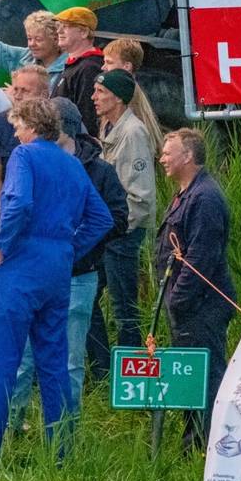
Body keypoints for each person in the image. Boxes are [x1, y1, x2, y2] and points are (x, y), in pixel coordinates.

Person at [0, 99, 112, 463]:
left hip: (21, 265)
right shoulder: (72, 163)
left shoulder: (24, 156)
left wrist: (3, 245)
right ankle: (61, 450)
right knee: (53, 361)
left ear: (31, 126)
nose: (15, 133)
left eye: (17, 125)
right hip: (57, 269)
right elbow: (101, 219)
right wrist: (67, 249)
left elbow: (17, 204)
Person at [11, 98, 127, 426]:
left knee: (71, 361)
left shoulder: (98, 170)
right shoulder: (33, 161)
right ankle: (13, 427)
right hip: (36, 273)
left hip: (79, 275)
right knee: (24, 358)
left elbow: (116, 217)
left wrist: (75, 248)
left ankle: (64, 433)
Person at [155, 128, 235, 453]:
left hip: (201, 306)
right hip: (189, 306)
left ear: (188, 156)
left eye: (167, 152)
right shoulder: (186, 193)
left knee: (205, 377)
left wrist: (177, 300)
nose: (162, 158)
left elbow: (201, 257)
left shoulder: (205, 198)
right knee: (190, 378)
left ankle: (206, 447)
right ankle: (193, 442)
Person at [92, 69, 157, 358]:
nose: (94, 98)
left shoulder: (133, 133)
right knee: (90, 295)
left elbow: (141, 194)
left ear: (118, 98)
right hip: (109, 230)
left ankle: (128, 364)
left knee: (123, 305)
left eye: (101, 92)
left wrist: (119, 228)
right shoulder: (108, 128)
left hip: (124, 231)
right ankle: (102, 363)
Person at [0, 65, 51, 213]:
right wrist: (5, 216)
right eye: (15, 89)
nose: (18, 96)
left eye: (25, 91)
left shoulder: (59, 121)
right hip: (14, 209)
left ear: (44, 94)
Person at [102, 38, 165, 150]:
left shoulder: (129, 98)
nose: (103, 67)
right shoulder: (135, 95)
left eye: (109, 62)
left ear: (127, 66)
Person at [52, 6, 105, 137]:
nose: (59, 31)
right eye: (59, 26)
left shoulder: (89, 68)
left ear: (84, 32)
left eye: (66, 26)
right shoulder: (77, 65)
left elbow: (88, 116)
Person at [0, 10, 67, 88]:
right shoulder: (22, 57)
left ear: (56, 39)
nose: (32, 44)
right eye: (29, 38)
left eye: (38, 39)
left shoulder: (70, 69)